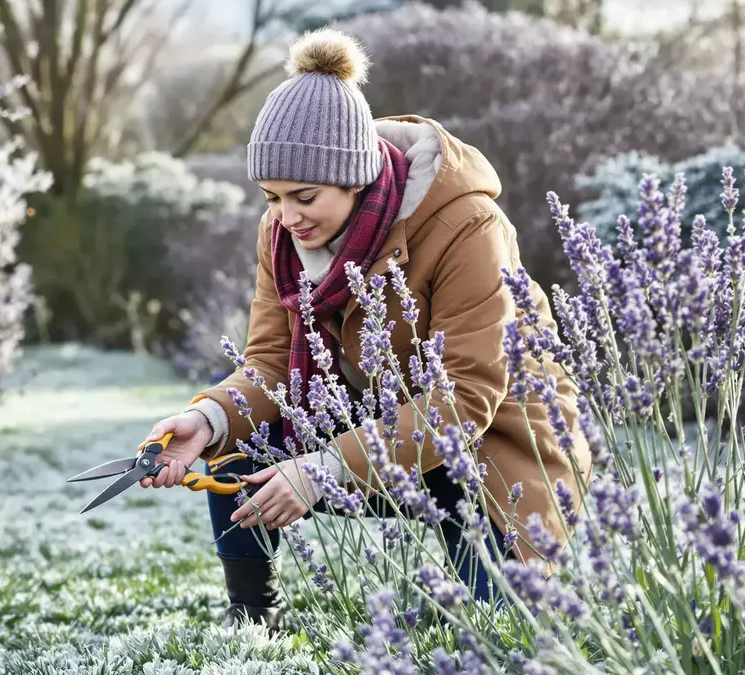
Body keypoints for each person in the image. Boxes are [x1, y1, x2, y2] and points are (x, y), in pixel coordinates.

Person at [138, 27, 592, 632]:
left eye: (303, 196)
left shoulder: (467, 225)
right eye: (271, 197)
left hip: (493, 452)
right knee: (236, 449)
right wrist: (208, 420)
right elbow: (270, 362)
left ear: (357, 177)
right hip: (375, 435)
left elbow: (467, 398)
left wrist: (324, 467)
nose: (285, 217)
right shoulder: (282, 235)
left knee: (497, 632)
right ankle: (253, 617)